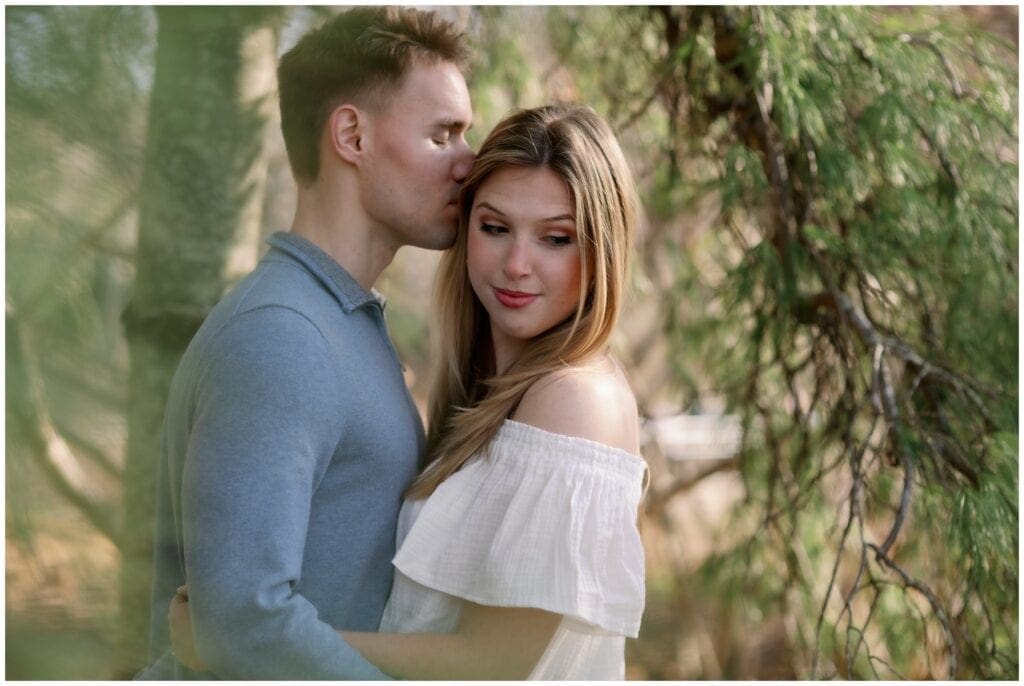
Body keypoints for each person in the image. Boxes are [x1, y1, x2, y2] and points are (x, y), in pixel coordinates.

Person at [172, 104, 648, 680]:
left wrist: (256, 642)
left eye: (556, 239)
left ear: (602, 251)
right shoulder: (497, 392)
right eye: (495, 228)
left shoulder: (575, 399)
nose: (517, 265)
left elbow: (492, 664)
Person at [136, 7, 474, 680]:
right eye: (444, 134)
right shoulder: (281, 337)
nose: (471, 161)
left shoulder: (340, 322)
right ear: (351, 134)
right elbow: (244, 623)